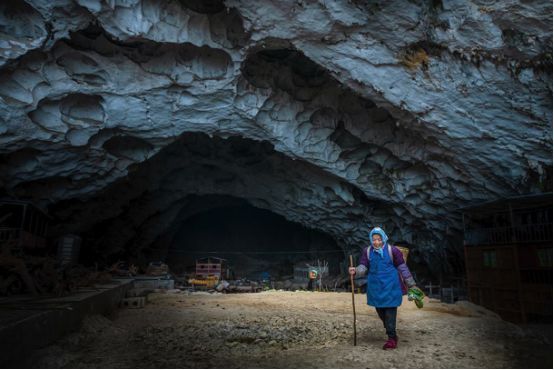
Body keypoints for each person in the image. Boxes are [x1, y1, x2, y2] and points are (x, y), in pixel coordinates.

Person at [349, 226, 419, 350]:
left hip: (391, 286)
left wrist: (411, 284)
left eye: (379, 239)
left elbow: (402, 267)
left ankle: (392, 338)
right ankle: (390, 331)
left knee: (390, 313)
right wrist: (355, 270)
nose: (376, 242)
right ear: (371, 239)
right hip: (376, 288)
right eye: (374, 239)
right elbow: (363, 267)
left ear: (383, 238)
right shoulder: (367, 251)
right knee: (381, 313)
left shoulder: (393, 251)